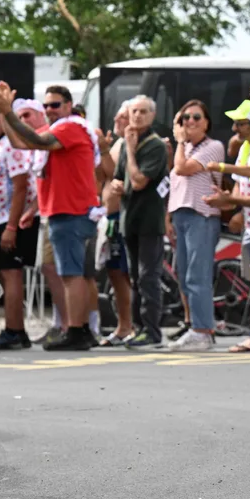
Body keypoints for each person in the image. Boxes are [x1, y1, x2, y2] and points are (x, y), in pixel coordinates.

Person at [0, 81, 99, 351]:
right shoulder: (58, 129)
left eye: (56, 105)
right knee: (68, 273)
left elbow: (36, 140)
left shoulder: (70, 126)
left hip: (70, 211)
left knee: (72, 274)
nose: (51, 110)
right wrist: (4, 113)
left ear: (68, 106)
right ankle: (78, 328)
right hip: (62, 211)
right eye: (47, 105)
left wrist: (8, 111)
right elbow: (19, 141)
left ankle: (77, 330)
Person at [204, 100, 250, 353]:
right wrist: (233, 203)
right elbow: (241, 181)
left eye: (240, 124)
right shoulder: (245, 149)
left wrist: (222, 170)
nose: (234, 128)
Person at [0, 98, 38, 349]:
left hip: (9, 219)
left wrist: (11, 227)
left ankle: (14, 329)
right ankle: (17, 329)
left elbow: (21, 185)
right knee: (5, 274)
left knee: (11, 274)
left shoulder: (12, 143)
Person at [165, 100, 223, 351]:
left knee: (197, 276)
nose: (189, 122)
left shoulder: (213, 147)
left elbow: (183, 169)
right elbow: (174, 182)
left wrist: (178, 142)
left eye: (196, 117)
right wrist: (168, 216)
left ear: (207, 122)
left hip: (202, 214)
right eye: (184, 118)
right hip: (181, 213)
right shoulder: (184, 148)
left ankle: (202, 330)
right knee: (184, 275)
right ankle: (196, 327)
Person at [110, 95, 168, 348]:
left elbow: (138, 180)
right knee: (134, 276)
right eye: (134, 111)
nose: (138, 116)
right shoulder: (125, 143)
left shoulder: (154, 145)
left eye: (144, 111)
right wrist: (115, 183)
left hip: (148, 221)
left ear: (152, 115)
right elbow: (119, 178)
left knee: (148, 277)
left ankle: (152, 331)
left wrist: (131, 150)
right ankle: (138, 327)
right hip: (129, 219)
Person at [97, 102, 135, 346]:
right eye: (118, 115)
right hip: (110, 217)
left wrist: (102, 152)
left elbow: (113, 175)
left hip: (121, 217)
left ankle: (128, 325)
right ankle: (124, 325)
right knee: (113, 272)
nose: (117, 119)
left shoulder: (128, 144)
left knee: (122, 273)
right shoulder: (119, 144)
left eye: (123, 116)